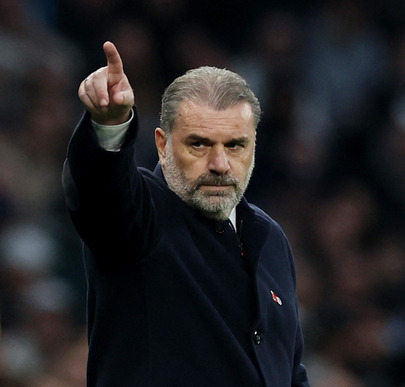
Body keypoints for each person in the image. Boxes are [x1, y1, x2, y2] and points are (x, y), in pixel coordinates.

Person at [62, 41, 310, 387]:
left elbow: (289, 369)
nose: (220, 165)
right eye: (199, 144)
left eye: (235, 145)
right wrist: (108, 126)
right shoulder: (142, 214)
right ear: (163, 145)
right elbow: (98, 192)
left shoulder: (269, 236)